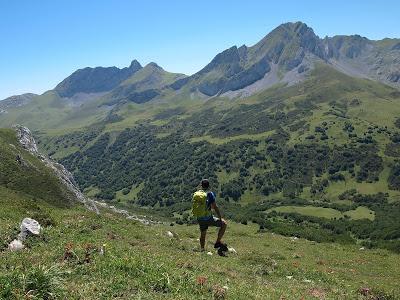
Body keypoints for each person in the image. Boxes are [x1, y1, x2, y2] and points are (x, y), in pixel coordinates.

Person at [192, 179, 228, 253]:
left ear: (201, 185)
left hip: (200, 217)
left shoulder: (197, 194)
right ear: (208, 186)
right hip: (208, 218)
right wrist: (220, 217)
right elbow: (214, 207)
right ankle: (218, 242)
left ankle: (202, 250)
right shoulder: (210, 194)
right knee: (224, 224)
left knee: (203, 234)